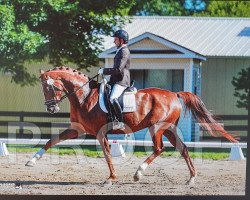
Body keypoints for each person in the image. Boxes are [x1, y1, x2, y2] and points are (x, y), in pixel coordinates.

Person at [98, 29, 130, 130]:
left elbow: (118, 69)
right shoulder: (119, 50)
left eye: (115, 39)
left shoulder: (124, 51)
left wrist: (104, 71)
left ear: (121, 40)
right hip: (115, 80)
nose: (114, 41)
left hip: (121, 81)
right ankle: (111, 118)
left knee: (113, 98)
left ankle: (120, 122)